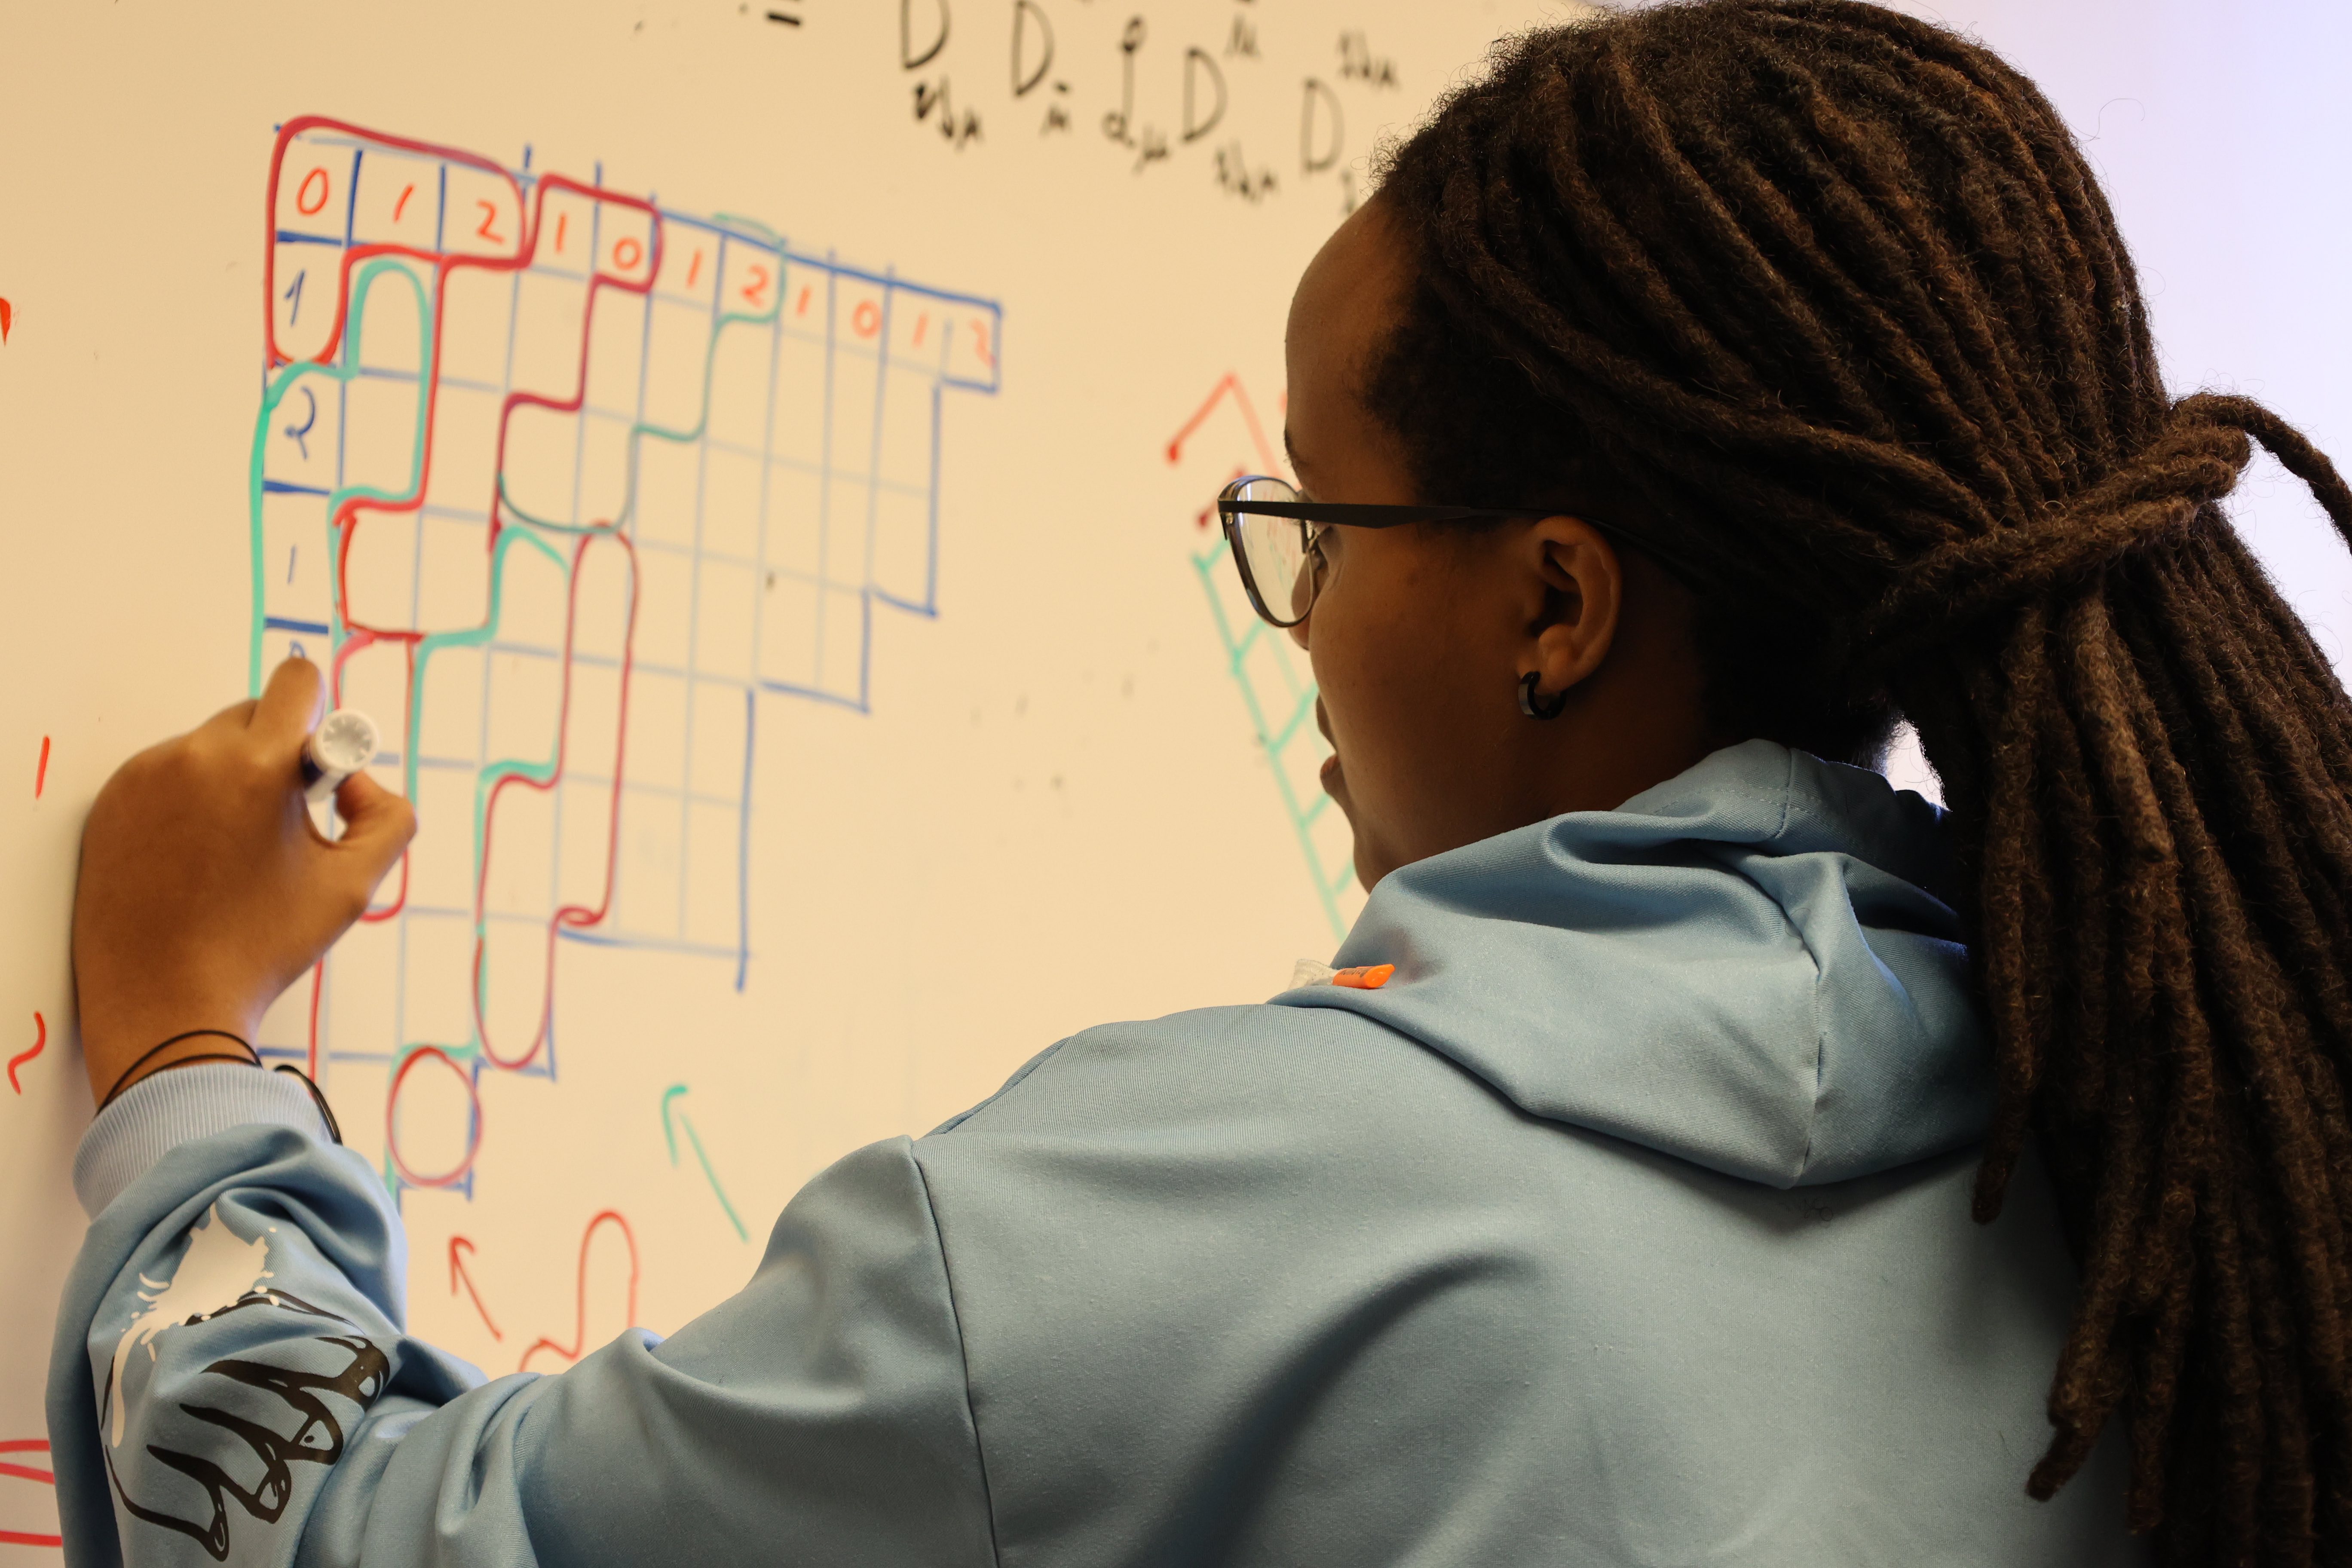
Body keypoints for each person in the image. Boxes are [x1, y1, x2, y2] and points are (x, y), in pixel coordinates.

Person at [48, 1, 2352, 1562]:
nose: (1307, 620)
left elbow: (350, 1529)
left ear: (1552, 609)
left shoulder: (1203, 1220)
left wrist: (178, 1047)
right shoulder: (2181, 1147)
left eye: (1315, 521)